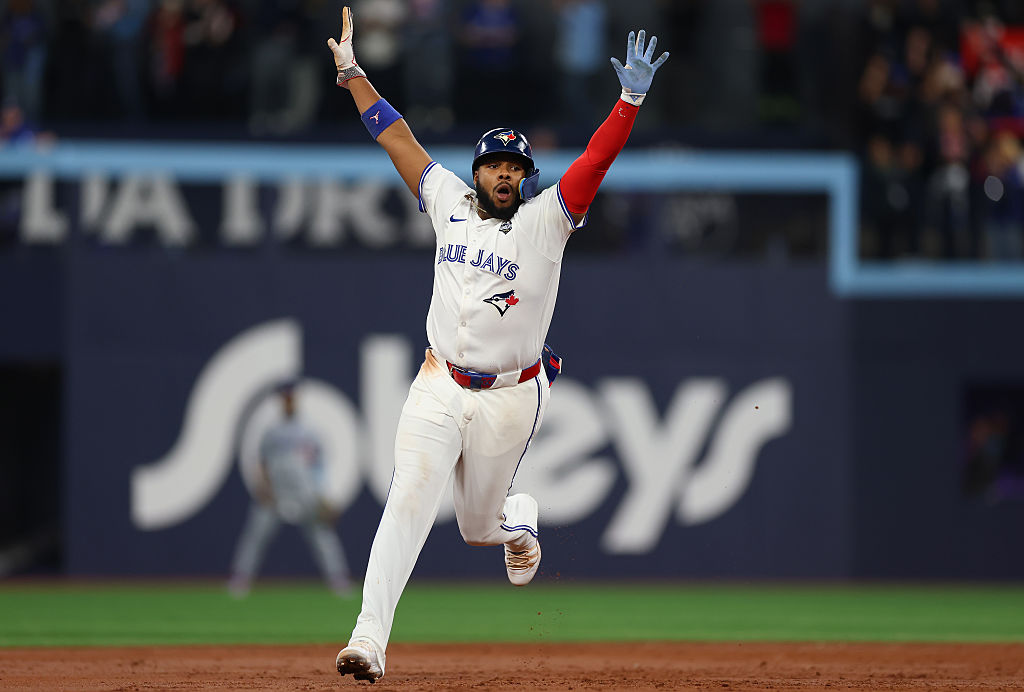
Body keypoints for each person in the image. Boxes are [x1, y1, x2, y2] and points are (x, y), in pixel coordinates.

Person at [326, 6, 667, 682]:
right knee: (409, 499)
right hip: (438, 382)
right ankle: (368, 642)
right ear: (477, 172)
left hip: (512, 395)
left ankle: (517, 516)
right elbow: (395, 138)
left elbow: (596, 160)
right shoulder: (446, 197)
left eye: (517, 167)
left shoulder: (548, 223)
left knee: (476, 528)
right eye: (496, 165)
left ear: (527, 179)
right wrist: (355, 75)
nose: (506, 174)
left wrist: (627, 101)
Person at [227, 380, 351, 597]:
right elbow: (262, 463)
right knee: (256, 536)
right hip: (276, 494)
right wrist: (263, 487)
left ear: (297, 400)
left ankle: (338, 581)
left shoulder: (309, 431)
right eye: (284, 399)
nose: (288, 402)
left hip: (306, 494)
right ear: (280, 402)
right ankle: (241, 579)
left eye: (291, 398)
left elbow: (319, 467)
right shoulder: (271, 431)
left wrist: (323, 496)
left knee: (323, 538)